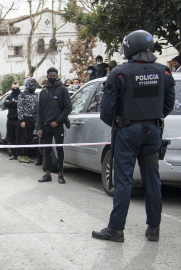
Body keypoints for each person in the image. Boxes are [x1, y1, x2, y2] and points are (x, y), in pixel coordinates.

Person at [92, 30, 175, 243]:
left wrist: (121, 123)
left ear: (129, 47)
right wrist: (152, 119)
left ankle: (116, 229)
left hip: (127, 132)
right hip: (153, 131)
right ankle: (154, 229)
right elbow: (168, 104)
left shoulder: (119, 73)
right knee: (152, 180)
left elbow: (106, 112)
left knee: (123, 181)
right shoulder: (163, 72)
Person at [37, 67, 72, 184]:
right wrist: (39, 127)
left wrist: (58, 121)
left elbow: (68, 107)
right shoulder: (43, 92)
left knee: (59, 150)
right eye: (50, 75)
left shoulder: (63, 90)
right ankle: (47, 174)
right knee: (46, 151)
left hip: (58, 126)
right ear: (47, 76)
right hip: (46, 126)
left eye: (54, 75)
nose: (52, 77)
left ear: (57, 76)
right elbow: (39, 111)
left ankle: (60, 174)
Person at [17, 78, 38, 163]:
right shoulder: (22, 94)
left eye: (34, 83)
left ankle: (26, 155)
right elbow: (20, 107)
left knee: (29, 137)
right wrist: (21, 120)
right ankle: (21, 155)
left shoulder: (36, 95)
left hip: (33, 118)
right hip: (25, 118)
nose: (32, 85)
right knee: (24, 137)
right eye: (31, 83)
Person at [4, 82, 23, 161]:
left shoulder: (22, 95)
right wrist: (15, 102)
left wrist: (11, 103)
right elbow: (5, 104)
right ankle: (13, 153)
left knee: (18, 137)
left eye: (16, 87)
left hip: (18, 120)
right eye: (14, 87)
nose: (15, 89)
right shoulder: (9, 96)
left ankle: (18, 154)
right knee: (11, 137)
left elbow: (21, 104)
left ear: (18, 87)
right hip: (10, 120)